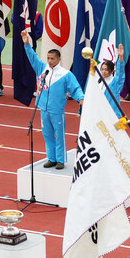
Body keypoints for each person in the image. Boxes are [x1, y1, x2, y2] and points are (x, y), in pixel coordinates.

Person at [22, 29, 84, 170]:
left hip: (57, 110)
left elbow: (75, 88)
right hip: (43, 108)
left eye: (52, 58)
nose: (49, 61)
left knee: (59, 135)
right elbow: (33, 58)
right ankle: (51, 158)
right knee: (47, 134)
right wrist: (27, 45)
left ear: (59, 59)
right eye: (48, 58)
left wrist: (81, 98)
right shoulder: (43, 69)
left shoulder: (65, 74)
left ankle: (61, 160)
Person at [99, 44, 125, 112]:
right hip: (100, 112)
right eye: (102, 69)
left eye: (106, 69)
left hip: (112, 114)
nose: (104, 71)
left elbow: (120, 74)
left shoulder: (115, 82)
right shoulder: (99, 82)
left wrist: (121, 57)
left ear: (112, 71)